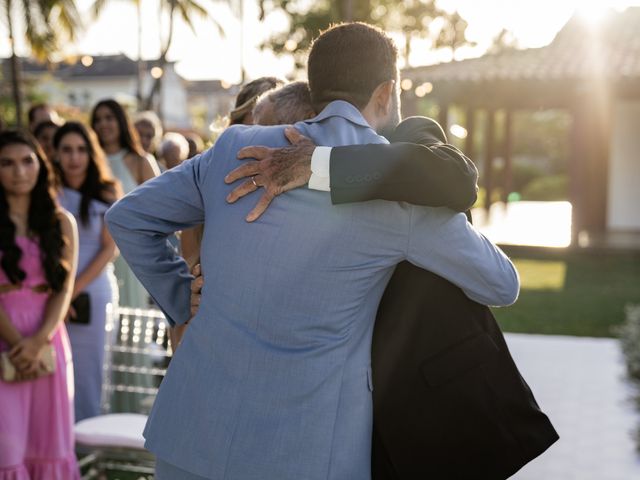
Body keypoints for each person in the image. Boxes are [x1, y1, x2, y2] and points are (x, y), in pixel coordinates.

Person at [106, 22, 519, 480]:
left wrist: (184, 298)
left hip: (192, 435)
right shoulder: (400, 196)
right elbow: (501, 282)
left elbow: (128, 217)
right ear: (386, 93)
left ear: (314, 87)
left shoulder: (234, 148)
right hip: (309, 451)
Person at [225, 116, 559, 478]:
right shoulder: (267, 183)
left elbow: (455, 179)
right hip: (338, 424)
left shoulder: (406, 137)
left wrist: (322, 165)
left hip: (440, 410)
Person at [0, 130, 80, 479]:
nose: (19, 171)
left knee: (50, 446)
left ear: (41, 165)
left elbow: (63, 291)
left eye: (27, 160)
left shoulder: (62, 222)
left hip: (48, 341)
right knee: (7, 448)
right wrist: (20, 345)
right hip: (6, 339)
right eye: (7, 163)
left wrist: (36, 342)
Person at [53, 121, 121, 421]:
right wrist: (58, 294)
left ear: (91, 153)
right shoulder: (46, 192)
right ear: (54, 154)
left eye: (81, 149)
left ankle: (89, 455)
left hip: (91, 292)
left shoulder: (107, 191)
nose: (74, 157)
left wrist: (72, 291)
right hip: (52, 292)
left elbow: (110, 249)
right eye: (66, 150)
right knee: (54, 371)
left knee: (89, 373)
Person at [91, 99, 159, 308]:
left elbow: (159, 209)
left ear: (121, 121)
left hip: (130, 254)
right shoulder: (88, 161)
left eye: (109, 118)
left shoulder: (141, 161)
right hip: (93, 254)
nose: (104, 124)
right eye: (98, 119)